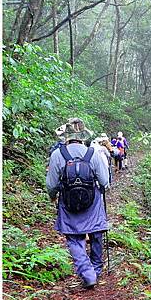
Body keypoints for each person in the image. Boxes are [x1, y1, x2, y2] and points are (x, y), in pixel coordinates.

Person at [46, 118, 110, 289]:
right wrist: (102, 189)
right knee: (96, 233)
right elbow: (104, 182)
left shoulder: (57, 155)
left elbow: (51, 185)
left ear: (66, 137)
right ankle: (96, 269)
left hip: (68, 204)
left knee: (74, 239)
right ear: (83, 136)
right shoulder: (93, 153)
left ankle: (88, 274)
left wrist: (53, 196)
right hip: (92, 201)